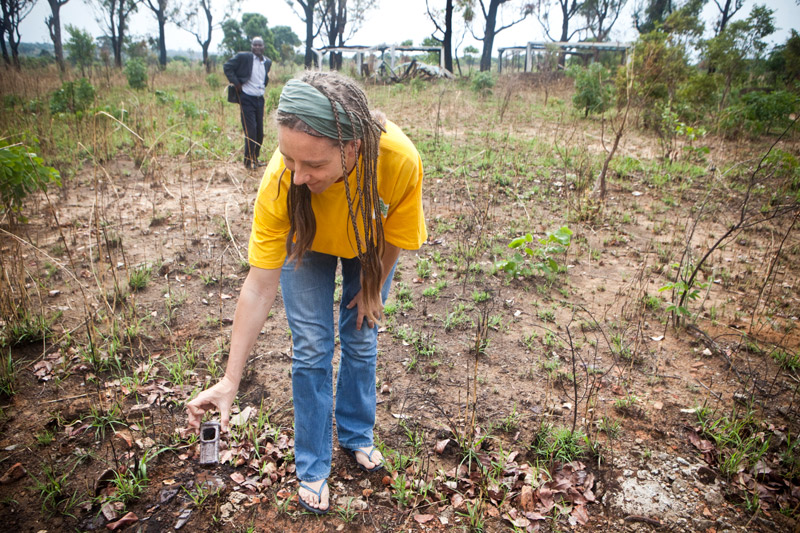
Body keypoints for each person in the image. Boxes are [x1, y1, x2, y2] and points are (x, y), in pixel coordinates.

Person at [186, 71, 427, 515]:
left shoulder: (398, 159)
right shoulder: (283, 180)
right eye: (289, 159)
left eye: (313, 165)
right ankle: (313, 465)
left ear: (352, 148)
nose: (297, 176)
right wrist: (230, 379)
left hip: (368, 243)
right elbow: (258, 288)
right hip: (307, 239)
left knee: (361, 334)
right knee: (313, 347)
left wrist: (374, 287)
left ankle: (356, 434)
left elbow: (396, 234)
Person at [223, 37, 273, 169]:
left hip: (259, 99)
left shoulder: (267, 62)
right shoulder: (243, 57)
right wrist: (237, 83)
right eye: (254, 45)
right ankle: (247, 162)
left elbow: (264, 78)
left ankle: (255, 159)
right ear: (251, 47)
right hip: (246, 98)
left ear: (263, 47)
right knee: (250, 132)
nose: (257, 47)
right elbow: (227, 67)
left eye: (259, 45)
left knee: (259, 133)